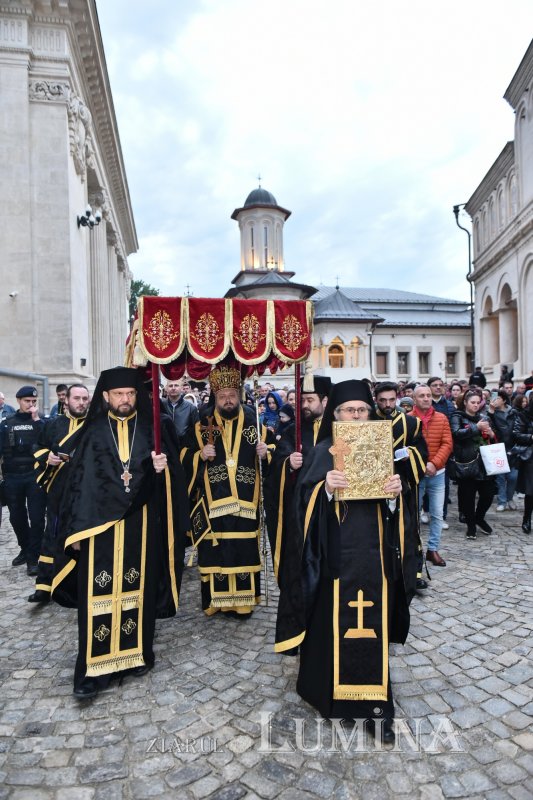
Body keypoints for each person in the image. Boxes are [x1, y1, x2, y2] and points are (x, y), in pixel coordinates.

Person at [284, 380, 412, 744]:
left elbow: (396, 513)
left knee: (372, 625)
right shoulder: (323, 452)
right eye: (348, 410)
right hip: (335, 558)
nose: (356, 415)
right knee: (331, 624)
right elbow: (301, 508)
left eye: (362, 410)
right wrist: (324, 489)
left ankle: (373, 705)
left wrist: (394, 497)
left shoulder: (384, 450)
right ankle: (331, 696)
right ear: (334, 415)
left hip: (373, 557)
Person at [51, 367, 189, 699]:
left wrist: (163, 470)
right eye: (118, 395)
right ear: (105, 398)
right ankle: (93, 670)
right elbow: (77, 487)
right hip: (98, 531)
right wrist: (78, 534)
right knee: (97, 596)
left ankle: (134, 655)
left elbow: (174, 483)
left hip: (141, 527)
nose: (125, 400)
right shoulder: (93, 432)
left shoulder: (153, 430)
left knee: (137, 590)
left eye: (130, 394)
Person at [181, 363, 270, 618]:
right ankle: (215, 601)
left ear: (239, 394)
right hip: (213, 499)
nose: (228, 400)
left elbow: (276, 448)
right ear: (215, 396)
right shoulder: (202, 422)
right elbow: (183, 454)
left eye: (232, 395)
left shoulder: (255, 420)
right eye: (223, 396)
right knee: (214, 551)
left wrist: (267, 453)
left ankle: (243, 603)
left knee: (244, 550)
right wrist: (200, 454)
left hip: (246, 499)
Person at [264, 375, 332, 648]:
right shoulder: (292, 431)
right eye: (301, 399)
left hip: (331, 517)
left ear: (325, 401)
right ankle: (298, 629)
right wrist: (288, 465)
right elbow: (274, 472)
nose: (303, 404)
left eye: (309, 400)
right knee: (299, 571)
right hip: (299, 515)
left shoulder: (338, 431)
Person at [28, 384, 90, 603]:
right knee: (52, 534)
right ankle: (44, 585)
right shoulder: (53, 425)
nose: (81, 402)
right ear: (66, 401)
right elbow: (38, 446)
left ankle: (76, 585)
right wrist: (48, 458)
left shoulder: (95, 427)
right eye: (77, 398)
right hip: (58, 489)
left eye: (85, 398)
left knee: (80, 536)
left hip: (85, 492)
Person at [373, 382, 428, 595]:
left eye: (391, 400)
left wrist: (406, 454)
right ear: (375, 398)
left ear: (397, 397)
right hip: (375, 483)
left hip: (404, 483)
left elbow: (422, 452)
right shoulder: (367, 420)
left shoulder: (412, 423)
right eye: (382, 400)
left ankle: (413, 573)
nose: (387, 404)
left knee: (408, 524)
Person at [0, 385, 46, 574]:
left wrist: (37, 421)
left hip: (34, 475)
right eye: (27, 401)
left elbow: (49, 439)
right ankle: (25, 548)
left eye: (34, 401)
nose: (31, 404)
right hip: (12, 477)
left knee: (36, 519)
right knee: (16, 517)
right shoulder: (6, 423)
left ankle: (33, 557)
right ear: (18, 401)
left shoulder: (41, 421)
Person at [411, 386, 453, 567]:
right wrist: (421, 465)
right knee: (413, 514)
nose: (427, 398)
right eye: (422, 396)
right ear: (414, 399)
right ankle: (415, 550)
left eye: (428, 395)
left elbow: (447, 443)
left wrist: (434, 463)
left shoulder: (441, 418)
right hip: (416, 475)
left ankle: (433, 549)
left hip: (438, 473)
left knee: (437, 514)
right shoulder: (408, 419)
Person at [450, 389, 497, 540]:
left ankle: (479, 517)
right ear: (465, 402)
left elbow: (493, 439)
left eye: (478, 402)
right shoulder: (457, 416)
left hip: (484, 463)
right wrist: (477, 427)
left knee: (488, 494)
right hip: (467, 462)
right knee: (467, 497)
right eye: (473, 402)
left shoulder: (484, 417)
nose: (476, 405)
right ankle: (471, 525)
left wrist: (491, 434)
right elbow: (456, 434)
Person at [486, 389, 518, 512]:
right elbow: (488, 425)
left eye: (498, 398)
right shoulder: (491, 413)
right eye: (493, 398)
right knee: (500, 477)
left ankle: (510, 497)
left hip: (513, 447)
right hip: (498, 447)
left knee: (513, 477)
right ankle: (502, 501)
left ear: (504, 400)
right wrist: (491, 412)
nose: (495, 400)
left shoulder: (513, 412)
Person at [511, 393, 533, 533]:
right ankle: (527, 519)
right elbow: (516, 434)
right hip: (531, 457)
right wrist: (531, 436)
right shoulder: (524, 415)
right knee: (531, 492)